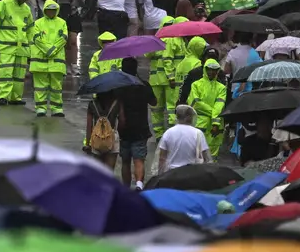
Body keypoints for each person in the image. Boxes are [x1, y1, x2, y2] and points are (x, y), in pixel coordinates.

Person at [0, 0, 33, 106]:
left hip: (22, 47)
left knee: (19, 75)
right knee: (6, 72)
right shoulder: (4, 4)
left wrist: (31, 45)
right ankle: (4, 97)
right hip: (7, 46)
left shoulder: (26, 9)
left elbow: (30, 28)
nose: (26, 0)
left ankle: (15, 97)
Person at [117, 57, 155, 190]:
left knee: (125, 161)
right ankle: (139, 184)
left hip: (124, 129)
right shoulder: (143, 85)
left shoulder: (119, 87)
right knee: (139, 159)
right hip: (141, 128)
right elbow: (154, 102)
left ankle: (125, 188)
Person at [28, 0, 67, 117]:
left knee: (56, 87)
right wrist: (49, 50)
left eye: (53, 10)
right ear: (45, 10)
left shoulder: (62, 22)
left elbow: (63, 38)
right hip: (41, 62)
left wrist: (51, 49)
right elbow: (36, 38)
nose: (51, 12)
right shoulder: (38, 23)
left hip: (56, 62)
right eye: (49, 10)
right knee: (40, 87)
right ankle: (41, 108)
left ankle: (57, 108)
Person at [156, 105, 211, 175]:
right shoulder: (198, 133)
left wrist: (160, 175)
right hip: (191, 173)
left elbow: (162, 158)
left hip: (172, 173)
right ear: (190, 117)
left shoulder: (168, 133)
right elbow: (205, 156)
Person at [190, 59, 228, 156]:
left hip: (214, 126)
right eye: (209, 69)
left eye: (214, 70)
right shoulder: (196, 85)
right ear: (205, 69)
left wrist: (215, 122)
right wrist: (214, 116)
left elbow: (220, 105)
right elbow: (196, 104)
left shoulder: (221, 88)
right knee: (197, 154)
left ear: (218, 71)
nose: (211, 72)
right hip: (202, 124)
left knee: (212, 154)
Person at [84, 90, 123, 170]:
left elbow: (89, 126)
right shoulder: (117, 103)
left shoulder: (92, 104)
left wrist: (88, 144)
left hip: (97, 138)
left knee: (99, 173)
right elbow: (122, 121)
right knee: (109, 173)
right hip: (112, 138)